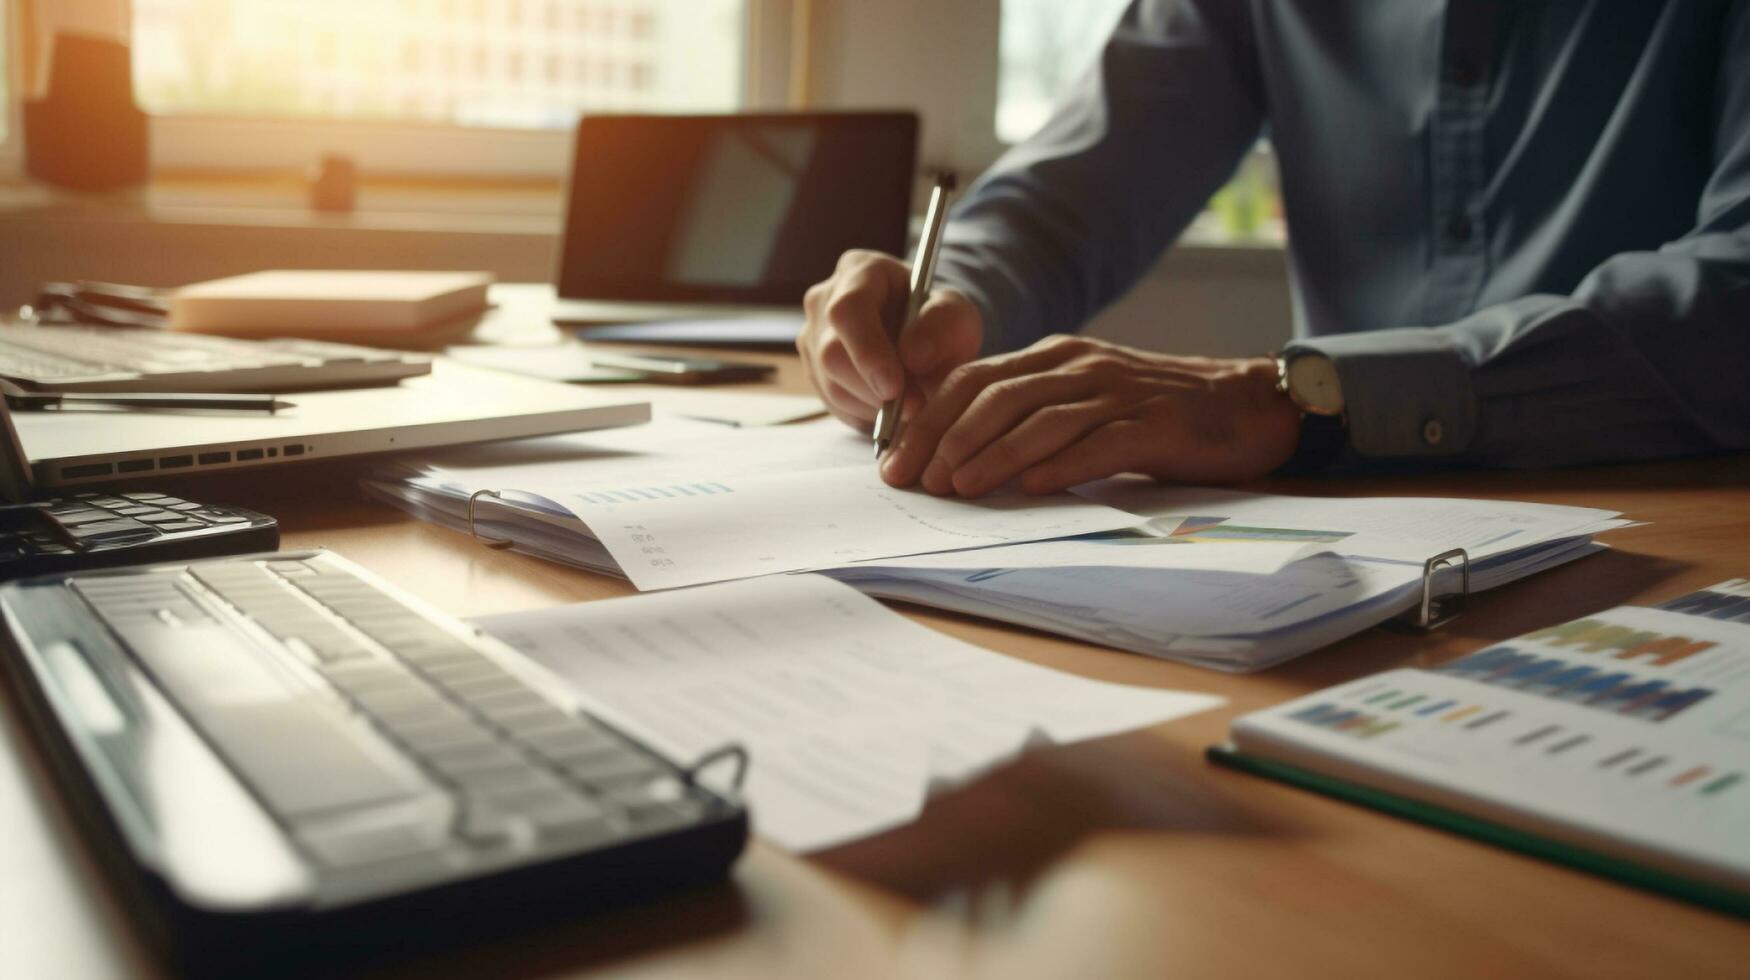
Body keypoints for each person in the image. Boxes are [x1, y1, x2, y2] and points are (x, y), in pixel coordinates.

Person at [797, 0, 1750, 498]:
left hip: (1675, 524)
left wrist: (1294, 397)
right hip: (1336, 545)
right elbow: (1081, 184)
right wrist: (953, 290)